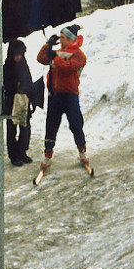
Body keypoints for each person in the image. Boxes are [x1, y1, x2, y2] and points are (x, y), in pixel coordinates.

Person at [35, 23, 93, 182]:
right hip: (54, 95)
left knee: (75, 124)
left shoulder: (78, 54)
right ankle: (48, 154)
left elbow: (67, 68)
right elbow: (41, 59)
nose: (60, 40)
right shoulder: (59, 52)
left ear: (70, 39)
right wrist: (48, 45)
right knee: (51, 125)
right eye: (59, 38)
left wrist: (54, 57)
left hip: (70, 95)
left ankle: (82, 152)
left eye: (62, 38)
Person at [1, 38, 38, 167]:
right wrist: (16, 87)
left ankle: (22, 151)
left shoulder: (23, 65)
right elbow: (5, 85)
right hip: (11, 102)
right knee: (12, 129)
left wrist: (31, 95)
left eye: (20, 55)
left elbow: (29, 80)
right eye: (16, 54)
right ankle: (14, 155)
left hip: (23, 101)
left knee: (25, 127)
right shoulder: (6, 67)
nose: (18, 57)